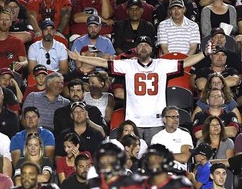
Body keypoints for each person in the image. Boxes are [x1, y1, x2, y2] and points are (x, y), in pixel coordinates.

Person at [68, 35, 207, 144]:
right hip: (133, 121)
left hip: (156, 121)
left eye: (146, 44)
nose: (143, 47)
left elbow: (186, 62)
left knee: (154, 158)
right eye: (140, 45)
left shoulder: (162, 64)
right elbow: (104, 63)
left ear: (152, 49)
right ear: (136, 50)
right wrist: (80, 58)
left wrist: (204, 54)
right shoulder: (128, 65)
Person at [150, 105, 193, 171]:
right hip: (162, 171)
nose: (176, 120)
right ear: (164, 119)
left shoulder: (185, 135)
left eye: (177, 117)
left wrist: (164, 156)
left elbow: (184, 157)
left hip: (179, 171)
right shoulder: (156, 138)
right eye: (173, 117)